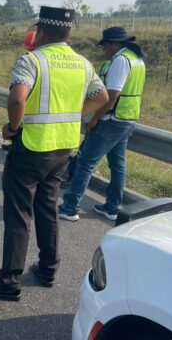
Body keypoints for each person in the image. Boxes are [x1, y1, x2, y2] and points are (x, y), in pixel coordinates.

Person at [0, 6, 109, 301]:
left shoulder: (32, 60)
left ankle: (9, 281)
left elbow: (18, 97)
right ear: (68, 33)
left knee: (19, 214)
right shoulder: (83, 64)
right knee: (48, 208)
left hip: (31, 148)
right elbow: (102, 97)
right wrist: (74, 116)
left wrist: (12, 126)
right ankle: (48, 268)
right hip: (63, 149)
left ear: (42, 32)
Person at [58, 26, 147, 222]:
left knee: (85, 163)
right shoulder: (137, 59)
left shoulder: (121, 61)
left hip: (111, 119)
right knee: (118, 165)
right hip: (128, 118)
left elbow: (112, 95)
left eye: (106, 46)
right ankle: (112, 207)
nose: (105, 50)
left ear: (115, 44)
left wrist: (96, 117)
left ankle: (70, 207)